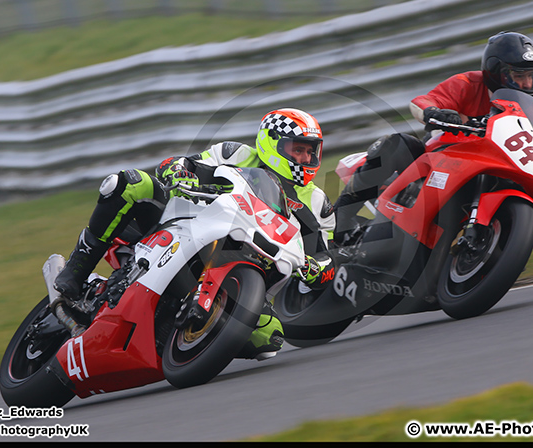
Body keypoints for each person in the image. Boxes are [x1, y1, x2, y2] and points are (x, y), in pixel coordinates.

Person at [53, 108, 337, 359]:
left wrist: (317, 269)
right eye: (298, 149)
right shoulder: (235, 154)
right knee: (128, 183)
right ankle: (77, 270)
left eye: (311, 152)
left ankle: (184, 338)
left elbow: (327, 260)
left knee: (268, 339)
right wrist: (177, 171)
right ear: (272, 143)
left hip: (251, 269)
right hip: (189, 226)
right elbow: (182, 163)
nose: (305, 157)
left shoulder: (317, 204)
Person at [334, 31, 533, 229]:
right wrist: (433, 112)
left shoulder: (532, 105)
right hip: (442, 154)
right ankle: (339, 219)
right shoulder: (467, 83)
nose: (528, 84)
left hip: (489, 163)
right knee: (399, 144)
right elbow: (421, 101)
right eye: (519, 76)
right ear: (496, 71)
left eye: (532, 76)